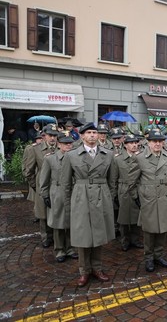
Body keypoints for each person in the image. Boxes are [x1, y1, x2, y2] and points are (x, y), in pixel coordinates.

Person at [60, 122, 115, 287]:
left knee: (99, 234)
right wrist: (70, 205)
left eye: (94, 132)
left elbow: (112, 181)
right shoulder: (72, 155)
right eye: (89, 132)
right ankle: (84, 271)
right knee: (83, 236)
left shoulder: (108, 154)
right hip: (81, 197)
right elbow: (66, 184)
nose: (92, 135)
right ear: (82, 136)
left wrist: (107, 197)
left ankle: (97, 268)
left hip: (101, 195)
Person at [131, 130, 167, 272]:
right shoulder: (140, 158)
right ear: (148, 142)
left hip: (164, 197)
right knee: (149, 231)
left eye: (160, 141)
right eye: (154, 141)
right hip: (148, 199)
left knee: (163, 229)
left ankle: (159, 255)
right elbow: (132, 181)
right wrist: (136, 197)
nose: (157, 144)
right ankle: (149, 257)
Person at [39, 131, 78, 262]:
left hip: (72, 191)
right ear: (59, 144)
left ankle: (70, 248)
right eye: (65, 144)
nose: (68, 146)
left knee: (71, 222)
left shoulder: (75, 157)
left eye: (70, 143)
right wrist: (45, 195)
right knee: (58, 223)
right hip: (57, 193)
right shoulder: (50, 158)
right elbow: (44, 179)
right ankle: (59, 250)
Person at [24, 124, 58, 248]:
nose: (53, 138)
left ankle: (57, 237)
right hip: (42, 185)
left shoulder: (61, 148)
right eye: (50, 135)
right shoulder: (36, 149)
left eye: (55, 135)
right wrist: (35, 186)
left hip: (57, 186)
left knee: (56, 211)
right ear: (44, 136)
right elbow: (29, 171)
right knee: (43, 213)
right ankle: (46, 237)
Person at [110, 134, 144, 252]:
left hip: (138, 189)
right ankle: (125, 240)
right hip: (123, 190)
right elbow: (113, 178)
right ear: (125, 145)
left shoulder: (141, 157)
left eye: (136, 142)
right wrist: (113, 195)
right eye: (131, 143)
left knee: (137, 216)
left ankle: (135, 239)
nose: (134, 145)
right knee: (123, 218)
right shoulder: (118, 159)